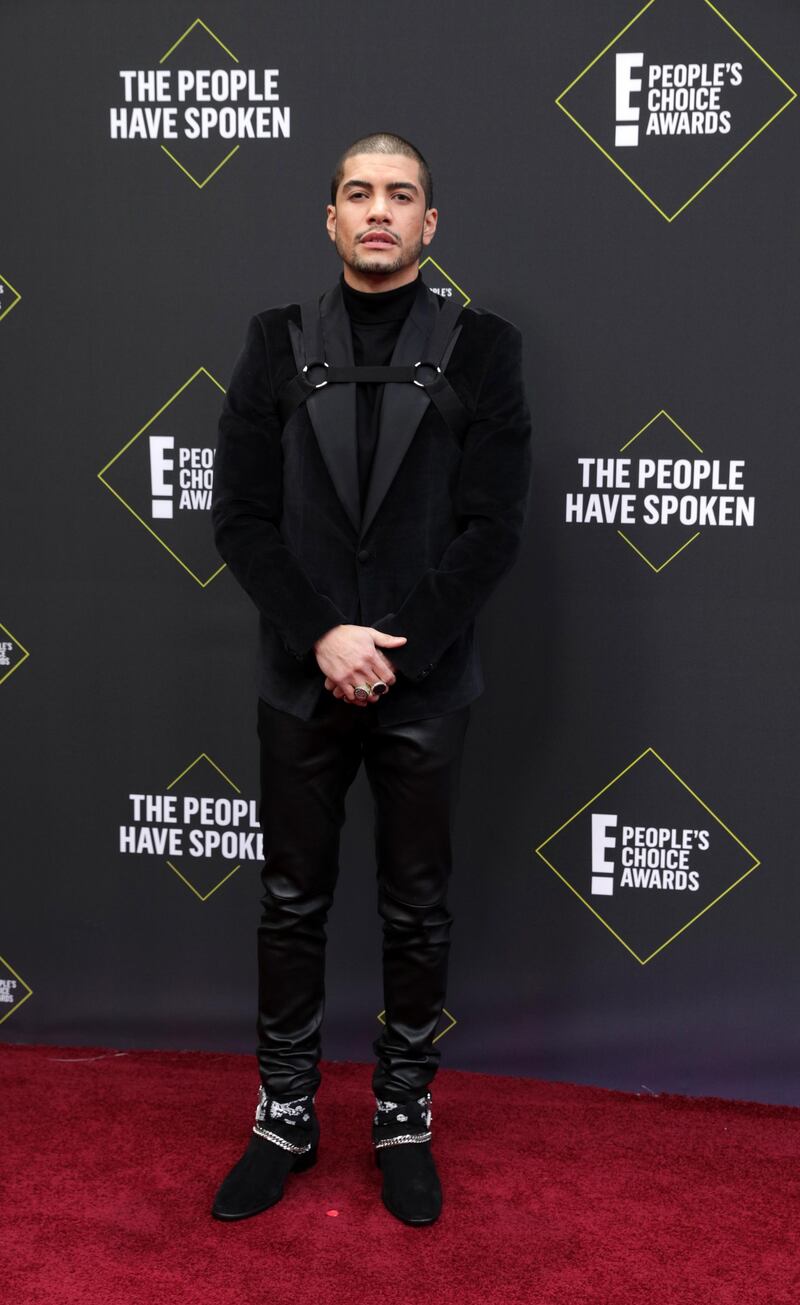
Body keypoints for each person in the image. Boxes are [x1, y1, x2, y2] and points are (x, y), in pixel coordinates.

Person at [209, 131, 532, 1226]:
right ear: (332, 218)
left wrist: (394, 646)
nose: (379, 210)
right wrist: (322, 639)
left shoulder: (483, 349)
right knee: (291, 903)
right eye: (358, 193)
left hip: (425, 681)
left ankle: (402, 1116)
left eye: (400, 195)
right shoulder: (272, 343)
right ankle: (283, 1117)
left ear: (428, 225)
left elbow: (490, 529)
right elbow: (242, 522)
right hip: (300, 676)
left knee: (416, 912)